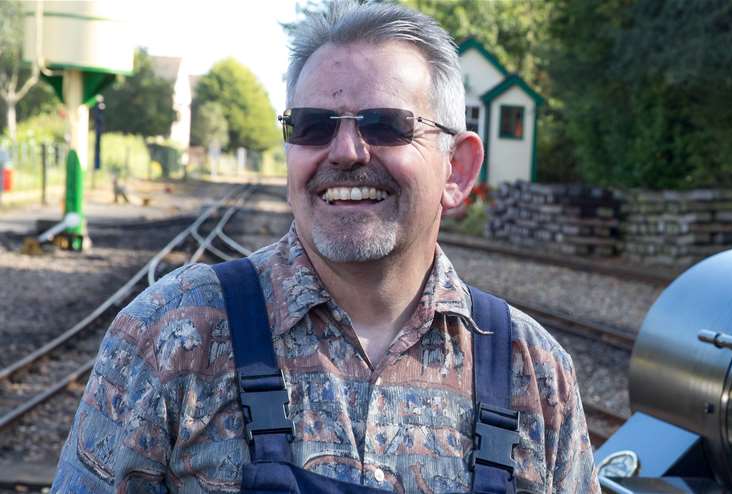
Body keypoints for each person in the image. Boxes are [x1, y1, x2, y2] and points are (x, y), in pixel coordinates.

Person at [52, 2, 600, 492]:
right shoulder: (173, 334)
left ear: (457, 169)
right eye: (312, 126)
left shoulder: (535, 374)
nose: (345, 151)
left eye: (385, 125)